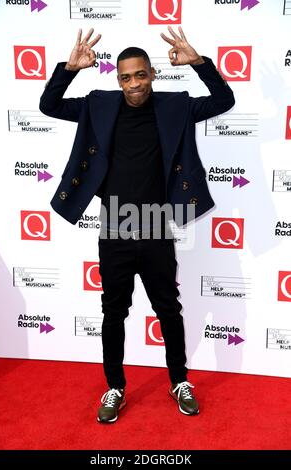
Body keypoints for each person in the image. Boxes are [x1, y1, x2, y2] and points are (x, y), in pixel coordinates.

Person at [39, 26, 235, 423]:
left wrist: (198, 62)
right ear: (118, 79)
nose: (133, 84)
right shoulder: (98, 104)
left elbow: (223, 99)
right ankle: (115, 387)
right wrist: (69, 69)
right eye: (125, 77)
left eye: (140, 75)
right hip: (114, 226)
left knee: (168, 309)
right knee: (114, 311)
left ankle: (179, 380)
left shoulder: (175, 106)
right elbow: (49, 105)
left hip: (156, 225)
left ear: (152, 74)